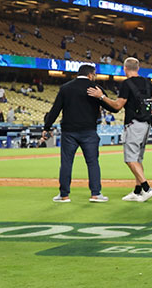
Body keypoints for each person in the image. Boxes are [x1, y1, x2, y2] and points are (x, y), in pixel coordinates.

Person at [87, 57, 152, 201]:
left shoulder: (127, 84)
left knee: (130, 159)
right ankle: (137, 192)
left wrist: (101, 97)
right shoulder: (147, 82)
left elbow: (117, 106)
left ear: (125, 68)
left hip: (133, 124)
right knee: (137, 158)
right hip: (146, 125)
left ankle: (146, 188)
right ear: (138, 68)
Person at [40, 64, 109, 202]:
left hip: (69, 132)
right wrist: (101, 97)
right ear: (90, 75)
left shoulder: (65, 88)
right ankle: (95, 194)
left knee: (66, 162)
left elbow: (55, 110)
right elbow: (110, 106)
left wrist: (47, 127)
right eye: (94, 75)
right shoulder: (96, 88)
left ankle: (64, 195)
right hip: (89, 131)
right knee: (92, 162)